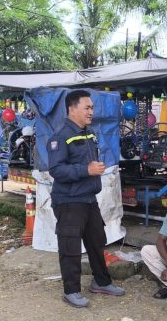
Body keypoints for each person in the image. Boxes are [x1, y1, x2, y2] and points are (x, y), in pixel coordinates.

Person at [48, 89, 124, 308]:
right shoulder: (61, 136)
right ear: (72, 109)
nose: (91, 112)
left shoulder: (89, 134)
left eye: (92, 108)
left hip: (89, 199)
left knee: (96, 241)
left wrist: (92, 169)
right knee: (70, 246)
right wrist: (86, 170)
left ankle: (101, 282)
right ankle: (71, 291)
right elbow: (56, 170)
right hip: (69, 200)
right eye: (87, 108)